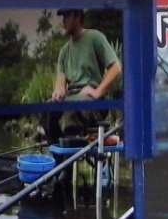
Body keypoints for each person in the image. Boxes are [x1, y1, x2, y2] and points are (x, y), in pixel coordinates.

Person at [49, 8, 121, 139]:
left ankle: (71, 150)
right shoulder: (64, 51)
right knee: (47, 109)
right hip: (72, 97)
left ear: (77, 16)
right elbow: (60, 84)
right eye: (62, 17)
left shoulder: (95, 37)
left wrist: (98, 91)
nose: (63, 21)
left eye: (66, 15)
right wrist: (57, 93)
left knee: (71, 107)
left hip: (93, 102)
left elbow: (116, 68)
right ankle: (58, 154)